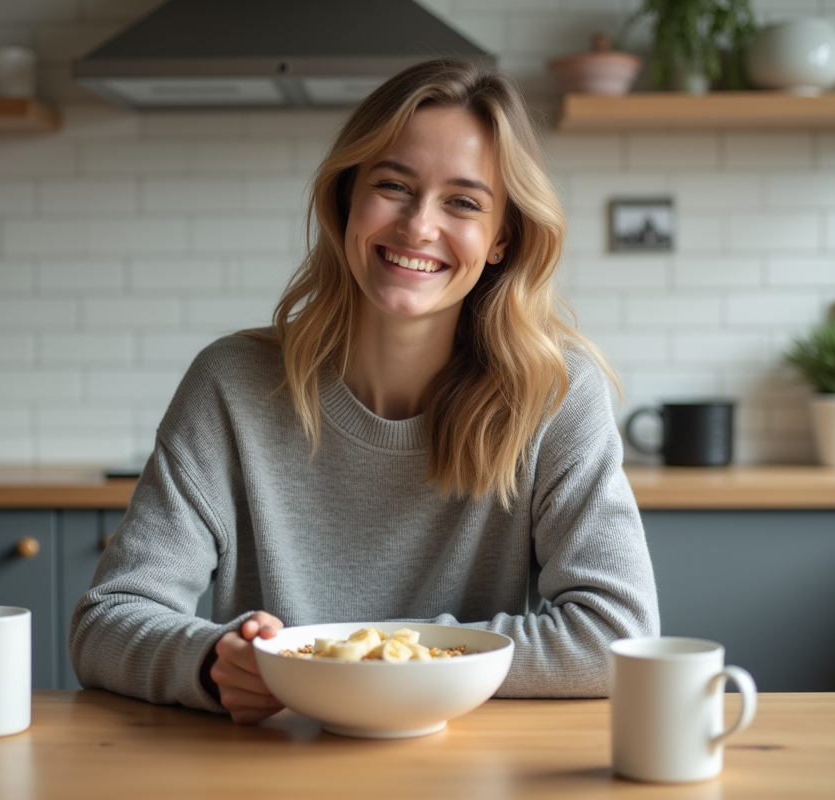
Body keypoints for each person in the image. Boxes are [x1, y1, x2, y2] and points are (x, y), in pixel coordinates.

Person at [70, 58, 659, 724]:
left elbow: (619, 634)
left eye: (463, 202)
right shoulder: (231, 383)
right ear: (347, 198)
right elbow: (105, 624)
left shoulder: (553, 395)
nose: (418, 227)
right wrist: (212, 661)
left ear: (501, 239)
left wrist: (361, 659)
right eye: (393, 185)